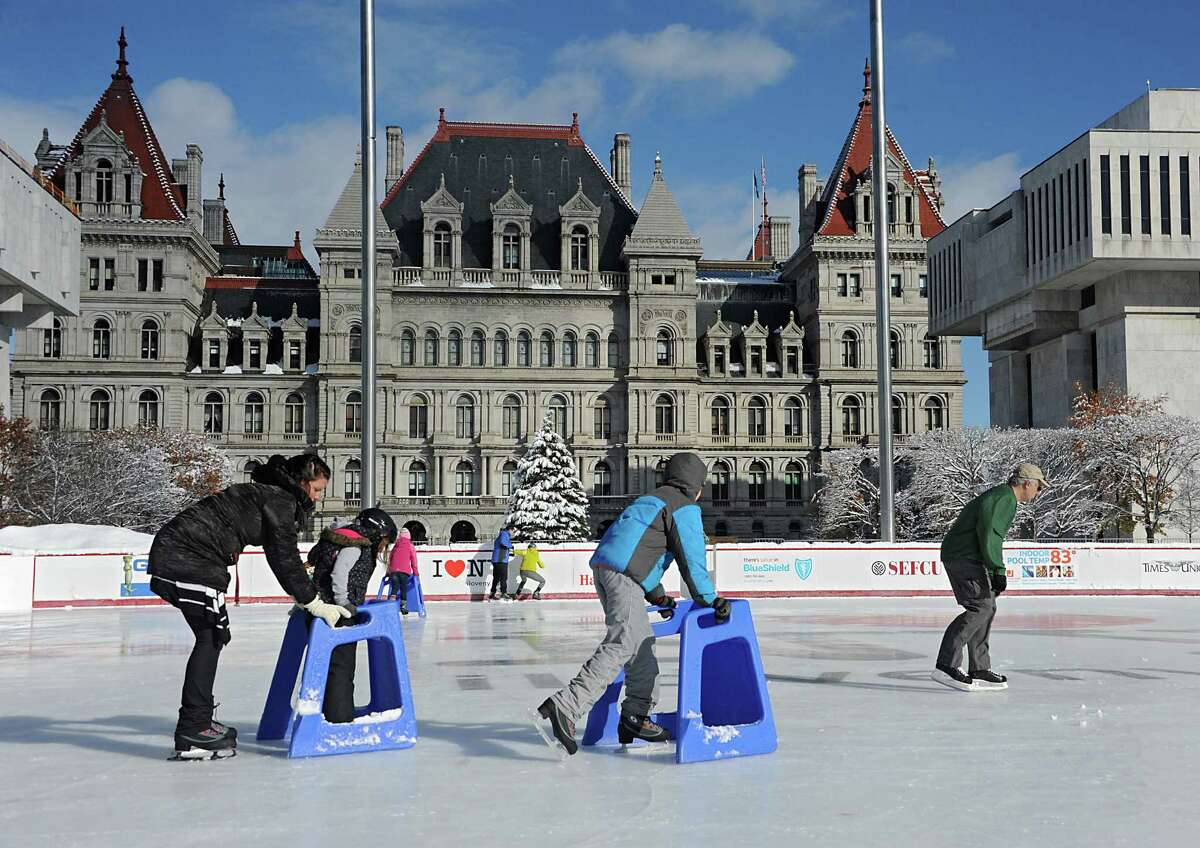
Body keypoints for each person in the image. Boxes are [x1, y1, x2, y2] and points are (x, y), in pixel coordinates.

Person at [149, 453, 349, 759]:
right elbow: (284, 559)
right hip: (189, 558)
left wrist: (306, 596)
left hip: (184, 555)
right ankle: (194, 728)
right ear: (302, 482)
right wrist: (315, 603)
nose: (318, 497)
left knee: (212, 636)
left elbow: (281, 558)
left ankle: (198, 722)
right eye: (317, 489)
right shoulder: (279, 500)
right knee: (211, 637)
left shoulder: (268, 494)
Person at [534, 452, 729, 755]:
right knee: (623, 643)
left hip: (607, 570)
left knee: (641, 646)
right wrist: (709, 599)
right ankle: (566, 705)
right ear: (696, 485)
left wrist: (657, 594)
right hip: (623, 576)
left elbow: (636, 549)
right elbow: (692, 561)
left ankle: (635, 716)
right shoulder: (683, 506)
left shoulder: (649, 500)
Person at [933, 463, 1047, 692]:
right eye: (1039, 487)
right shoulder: (1004, 499)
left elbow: (989, 535)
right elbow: (990, 535)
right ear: (1027, 484)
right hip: (963, 556)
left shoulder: (1003, 496)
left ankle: (979, 668)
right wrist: (997, 570)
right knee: (981, 607)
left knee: (988, 607)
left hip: (969, 556)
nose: (1039, 492)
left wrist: (994, 569)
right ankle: (946, 664)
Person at [308, 507, 398, 722]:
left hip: (323, 608)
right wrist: (344, 603)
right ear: (378, 533)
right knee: (342, 666)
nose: (383, 548)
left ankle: (328, 712)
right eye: (385, 542)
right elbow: (339, 572)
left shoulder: (339, 538)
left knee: (331, 665)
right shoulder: (356, 544)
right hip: (338, 612)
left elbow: (314, 558)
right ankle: (339, 717)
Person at [386, 526, 419, 614]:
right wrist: (415, 572)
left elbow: (390, 558)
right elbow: (414, 560)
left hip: (394, 571)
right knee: (403, 588)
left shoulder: (396, 545)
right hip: (404, 571)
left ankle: (390, 606)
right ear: (409, 536)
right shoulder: (410, 546)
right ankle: (403, 606)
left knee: (395, 588)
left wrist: (388, 571)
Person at [489, 524, 515, 601]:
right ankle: (504, 593)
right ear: (510, 529)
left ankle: (492, 592)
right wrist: (511, 546)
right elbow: (504, 543)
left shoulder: (501, 534)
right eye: (513, 531)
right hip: (501, 559)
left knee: (496, 577)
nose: (513, 532)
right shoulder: (504, 534)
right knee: (503, 577)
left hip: (497, 559)